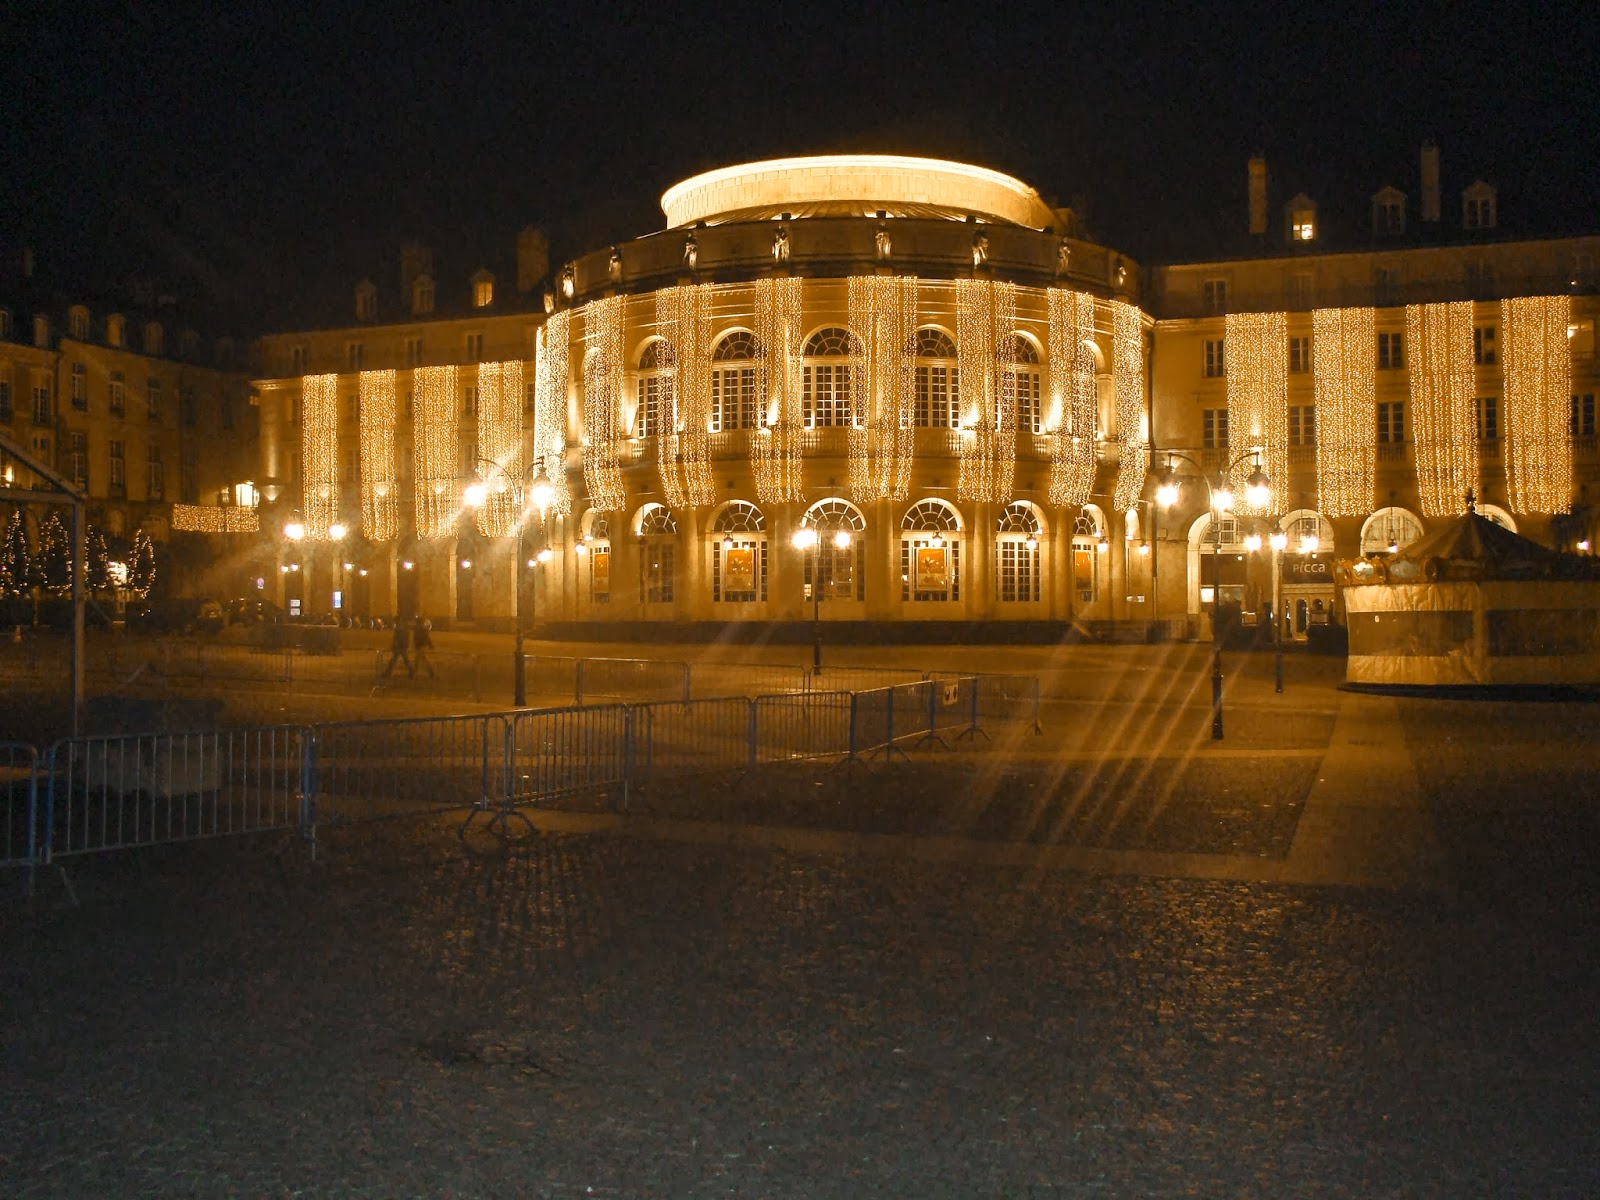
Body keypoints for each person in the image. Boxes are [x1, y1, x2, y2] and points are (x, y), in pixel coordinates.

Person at [410, 615, 435, 680]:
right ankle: (430, 671)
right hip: (419, 646)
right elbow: (425, 638)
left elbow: (426, 638)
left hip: (421, 646)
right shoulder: (419, 629)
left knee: (418, 659)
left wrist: (430, 644)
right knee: (422, 659)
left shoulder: (422, 630)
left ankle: (414, 672)